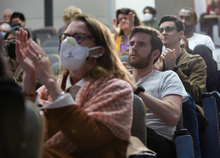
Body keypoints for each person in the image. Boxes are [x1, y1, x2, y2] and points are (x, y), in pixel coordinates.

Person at [16, 14, 134, 157]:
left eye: (79, 37)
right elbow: (27, 126)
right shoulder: (51, 88)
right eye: (65, 37)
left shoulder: (118, 89)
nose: (68, 42)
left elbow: (89, 139)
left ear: (99, 50)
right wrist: (29, 78)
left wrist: (50, 81)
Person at [128, 26, 188, 158]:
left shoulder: (167, 77)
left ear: (155, 54)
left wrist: (136, 90)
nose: (134, 48)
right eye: (132, 43)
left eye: (141, 44)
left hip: (159, 143)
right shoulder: (121, 80)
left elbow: (172, 116)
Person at [154, 15, 207, 158]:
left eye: (169, 29)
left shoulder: (195, 60)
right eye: (161, 30)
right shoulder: (153, 61)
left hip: (189, 111)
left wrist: (174, 68)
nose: (164, 32)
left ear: (181, 34)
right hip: (158, 107)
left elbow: (196, 94)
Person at [179, 7, 218, 92]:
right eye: (181, 18)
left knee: (201, 48)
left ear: (195, 23)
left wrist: (189, 52)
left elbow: (213, 64)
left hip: (202, 79)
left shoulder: (205, 39)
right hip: (178, 78)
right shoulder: (170, 40)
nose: (183, 21)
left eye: (187, 19)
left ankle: (210, 94)